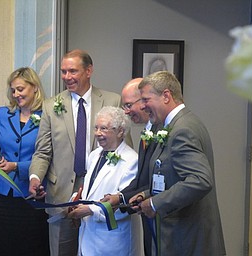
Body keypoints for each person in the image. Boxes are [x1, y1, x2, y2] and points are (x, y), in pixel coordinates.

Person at [28, 49, 132, 256]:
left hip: (100, 190)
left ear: (89, 71)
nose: (67, 77)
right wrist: (35, 177)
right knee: (61, 251)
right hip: (62, 195)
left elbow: (124, 149)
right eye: (63, 72)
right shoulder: (51, 106)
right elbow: (42, 152)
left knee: (96, 249)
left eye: (72, 71)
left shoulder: (112, 100)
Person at [130, 71, 226, 255]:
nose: (142, 106)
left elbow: (199, 180)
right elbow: (174, 176)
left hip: (187, 239)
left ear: (166, 96)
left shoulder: (182, 129)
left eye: (146, 99)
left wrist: (155, 204)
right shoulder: (176, 125)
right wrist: (148, 194)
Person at [0, 67, 49, 256]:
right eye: (13, 90)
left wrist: (17, 167)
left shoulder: (48, 116)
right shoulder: (3, 114)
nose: (16, 94)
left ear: (35, 87)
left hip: (30, 194)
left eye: (20, 89)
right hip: (1, 193)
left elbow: (48, 157)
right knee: (2, 247)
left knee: (30, 248)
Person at [68, 106, 143, 256]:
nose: (97, 133)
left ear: (120, 131)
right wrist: (75, 201)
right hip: (87, 236)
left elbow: (125, 205)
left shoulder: (131, 160)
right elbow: (91, 190)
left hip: (112, 241)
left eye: (103, 128)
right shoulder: (95, 155)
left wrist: (90, 210)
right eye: (96, 128)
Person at [102, 77, 158, 256]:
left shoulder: (162, 132)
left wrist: (120, 199)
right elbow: (143, 180)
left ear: (143, 101)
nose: (125, 112)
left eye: (127, 105)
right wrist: (119, 198)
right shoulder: (146, 132)